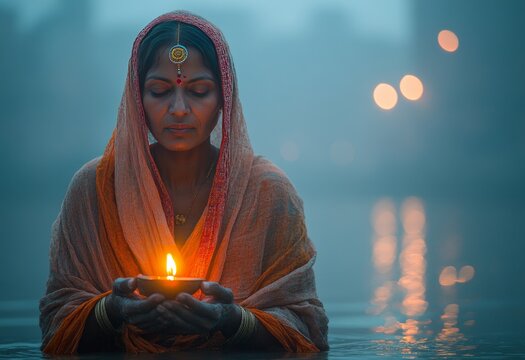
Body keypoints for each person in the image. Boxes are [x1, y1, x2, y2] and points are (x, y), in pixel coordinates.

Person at [39, 10, 328, 354]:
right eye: (160, 91)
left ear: (224, 99)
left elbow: (306, 328)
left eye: (199, 91)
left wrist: (232, 320)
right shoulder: (94, 190)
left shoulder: (267, 193)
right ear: (137, 99)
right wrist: (112, 310)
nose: (178, 109)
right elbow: (57, 324)